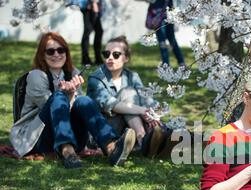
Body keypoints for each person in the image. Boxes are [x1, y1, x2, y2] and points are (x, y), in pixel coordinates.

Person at [9, 32, 136, 169]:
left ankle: (111, 147)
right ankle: (67, 151)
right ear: (42, 55)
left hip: (70, 136)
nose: (56, 55)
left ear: (66, 52)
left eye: (61, 50)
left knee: (84, 100)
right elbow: (51, 110)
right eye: (50, 51)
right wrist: (67, 95)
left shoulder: (73, 73)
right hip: (36, 138)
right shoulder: (36, 76)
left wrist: (73, 94)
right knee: (58, 97)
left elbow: (77, 108)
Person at [87, 36, 167, 155]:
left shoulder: (132, 76)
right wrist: (142, 110)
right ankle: (144, 140)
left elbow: (146, 98)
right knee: (128, 94)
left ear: (126, 58)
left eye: (116, 54)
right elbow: (110, 105)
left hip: (127, 127)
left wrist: (153, 114)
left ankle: (154, 138)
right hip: (104, 130)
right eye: (106, 54)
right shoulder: (96, 78)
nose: (110, 58)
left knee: (136, 103)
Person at [147, 0, 185, 67]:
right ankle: (179, 62)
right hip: (161, 14)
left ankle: (167, 64)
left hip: (164, 13)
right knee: (169, 39)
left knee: (167, 40)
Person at [77, 0, 104, 65]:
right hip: (89, 6)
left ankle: (97, 58)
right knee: (88, 31)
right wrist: (93, 3)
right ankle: (85, 59)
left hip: (92, 5)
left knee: (99, 31)